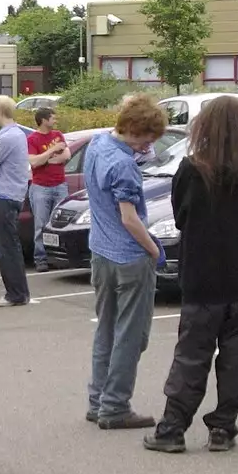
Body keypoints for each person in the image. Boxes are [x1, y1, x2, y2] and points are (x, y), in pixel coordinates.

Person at [144, 97, 238, 453]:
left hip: (202, 275)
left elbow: (182, 218)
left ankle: (172, 428)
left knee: (192, 354)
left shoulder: (191, 169)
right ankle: (223, 426)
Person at [82, 94, 169, 429]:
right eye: (149, 136)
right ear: (137, 130)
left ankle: (98, 399)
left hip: (101, 252)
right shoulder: (124, 166)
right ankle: (115, 406)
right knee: (132, 335)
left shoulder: (96, 144)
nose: (150, 144)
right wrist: (153, 250)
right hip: (129, 258)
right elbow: (130, 219)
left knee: (106, 329)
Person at [0, 95, 32, 307]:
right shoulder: (19, 134)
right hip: (16, 192)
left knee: (6, 246)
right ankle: (19, 291)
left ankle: (15, 293)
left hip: (5, 193)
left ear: (1, 112)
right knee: (11, 245)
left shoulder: (7, 137)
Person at [26, 108, 71, 272]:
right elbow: (34, 162)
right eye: (53, 118)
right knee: (41, 224)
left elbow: (66, 155)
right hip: (40, 187)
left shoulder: (58, 134)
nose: (55, 121)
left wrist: (46, 159)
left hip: (60, 185)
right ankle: (41, 259)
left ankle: (58, 257)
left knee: (59, 224)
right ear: (44, 120)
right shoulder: (32, 139)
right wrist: (51, 151)